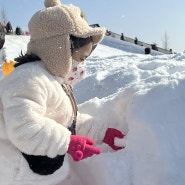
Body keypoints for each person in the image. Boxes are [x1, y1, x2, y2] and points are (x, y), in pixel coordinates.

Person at [0, 0, 126, 184]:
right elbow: (23, 128)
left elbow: (66, 120)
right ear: (58, 50)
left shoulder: (53, 80)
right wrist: (67, 142)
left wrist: (101, 132)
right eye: (80, 58)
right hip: (20, 177)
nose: (81, 65)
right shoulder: (28, 79)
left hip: (43, 175)